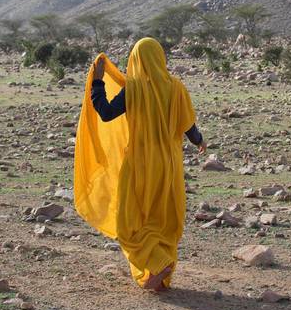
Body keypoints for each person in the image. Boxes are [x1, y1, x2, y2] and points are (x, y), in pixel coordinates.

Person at [74, 38, 206, 291]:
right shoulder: (176, 87)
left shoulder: (133, 90)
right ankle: (157, 270)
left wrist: (98, 81)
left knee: (128, 224)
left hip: (139, 164)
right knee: (160, 219)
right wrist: (199, 141)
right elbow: (188, 125)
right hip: (168, 166)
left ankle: (157, 262)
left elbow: (106, 112)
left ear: (136, 60)